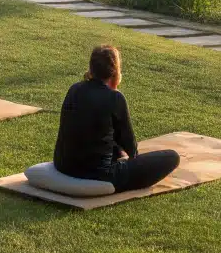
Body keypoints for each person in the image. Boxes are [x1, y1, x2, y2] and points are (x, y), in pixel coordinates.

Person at [53, 45, 180, 192]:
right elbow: (131, 148)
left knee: (107, 139)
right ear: (115, 70)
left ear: (91, 67)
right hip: (100, 174)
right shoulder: (115, 97)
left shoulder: (74, 88)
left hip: (63, 165)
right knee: (172, 157)